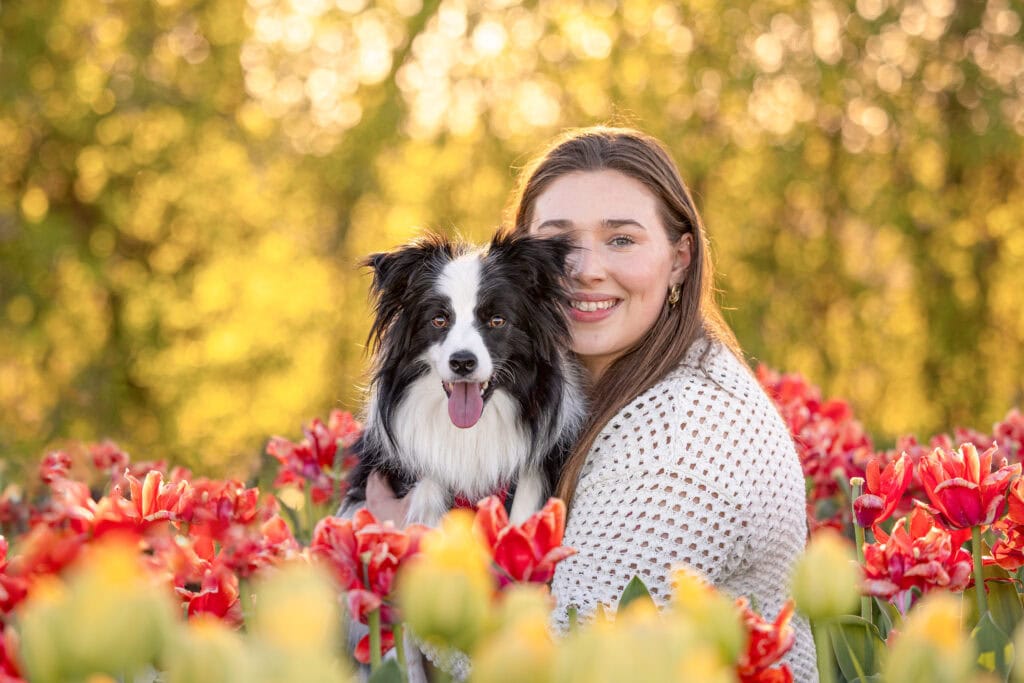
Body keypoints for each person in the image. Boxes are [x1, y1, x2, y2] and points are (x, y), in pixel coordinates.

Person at [365, 126, 817, 681]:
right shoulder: (590, 388)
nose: (582, 270)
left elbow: (562, 664)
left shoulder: (682, 449)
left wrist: (407, 565)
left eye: (621, 239)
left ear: (680, 259)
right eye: (559, 243)